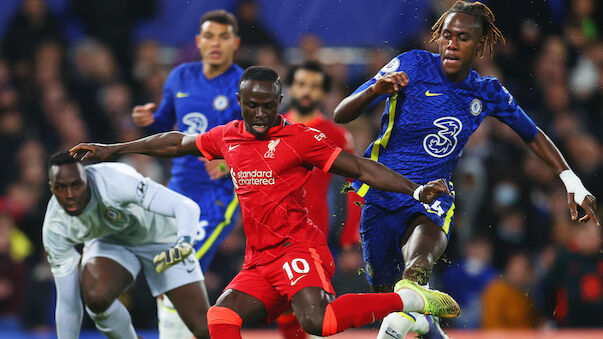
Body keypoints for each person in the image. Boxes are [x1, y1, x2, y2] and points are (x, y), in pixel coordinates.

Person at [70, 66, 461, 338]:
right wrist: (114, 148)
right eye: (251, 106)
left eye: (267, 106)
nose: (259, 115)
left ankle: (410, 298)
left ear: (279, 101)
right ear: (239, 99)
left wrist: (415, 190)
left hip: (299, 248)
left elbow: (359, 168)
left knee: (317, 322)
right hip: (259, 258)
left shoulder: (300, 138)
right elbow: (176, 142)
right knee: (221, 316)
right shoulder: (228, 136)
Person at [333, 1, 600, 338]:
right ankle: (424, 321)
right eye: (446, 36)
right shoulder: (411, 64)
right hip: (383, 193)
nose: (452, 44)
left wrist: (570, 179)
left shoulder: (485, 92)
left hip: (432, 198)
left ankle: (415, 303)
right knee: (393, 297)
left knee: (416, 272)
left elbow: (533, 135)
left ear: (480, 44)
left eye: (462, 37)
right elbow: (341, 114)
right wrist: (375, 89)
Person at [130, 9, 243, 338]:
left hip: (217, 195)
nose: (216, 43)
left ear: (235, 43)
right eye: (209, 36)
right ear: (199, 41)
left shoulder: (242, 84)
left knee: (177, 268)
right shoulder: (180, 76)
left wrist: (226, 161)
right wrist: (150, 118)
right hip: (178, 189)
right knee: (173, 274)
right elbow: (166, 123)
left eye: (223, 36)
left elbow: (258, 138)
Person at [42, 151, 211, 339]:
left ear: (87, 178)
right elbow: (68, 304)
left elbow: (186, 206)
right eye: (61, 187)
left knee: (204, 330)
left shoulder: (115, 182)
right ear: (51, 187)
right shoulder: (55, 227)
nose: (70, 195)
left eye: (76, 185)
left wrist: (184, 243)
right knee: (97, 297)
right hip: (111, 242)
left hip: (163, 240)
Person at [278, 61, 363, 338]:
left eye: (314, 86)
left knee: (310, 310)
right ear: (290, 88)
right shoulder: (271, 129)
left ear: (323, 92)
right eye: (301, 84)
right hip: (272, 232)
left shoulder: (335, 134)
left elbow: (355, 185)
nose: (306, 91)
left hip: (312, 234)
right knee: (284, 311)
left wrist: (351, 234)